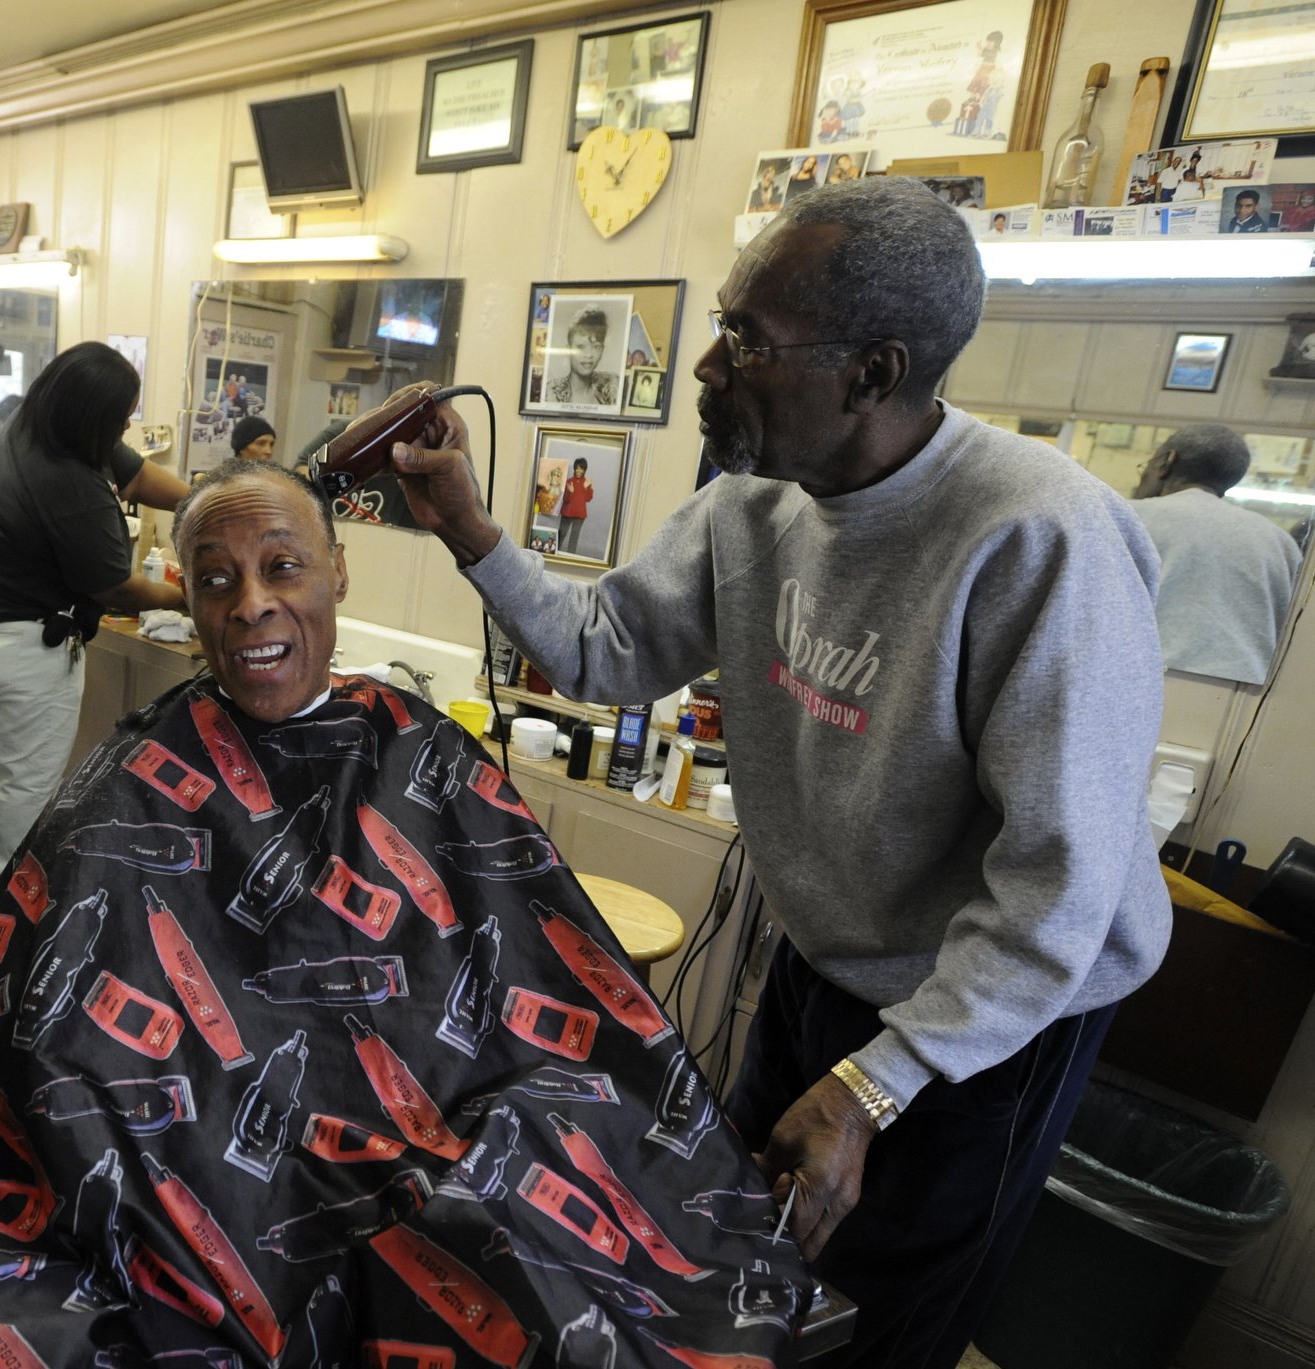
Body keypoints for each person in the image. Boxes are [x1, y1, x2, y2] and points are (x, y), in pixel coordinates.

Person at [389, 176, 1169, 1369]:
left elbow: (1058, 892)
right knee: (740, 1254)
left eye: (747, 340)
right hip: (824, 969)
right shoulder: (751, 503)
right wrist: (469, 529)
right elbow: (604, 649)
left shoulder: (1038, 539)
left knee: (874, 1321)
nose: (708, 364)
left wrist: (875, 1089)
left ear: (872, 373)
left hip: (988, 1018)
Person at [0, 458, 816, 1368]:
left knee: (520, 1215)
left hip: (443, 1104)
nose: (249, 604)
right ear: (193, 603)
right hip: (210, 1140)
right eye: (215, 580)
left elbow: (526, 963)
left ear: (338, 570)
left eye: (282, 565)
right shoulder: (131, 785)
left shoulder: (422, 749)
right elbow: (51, 1021)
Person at [0, 341, 189, 896]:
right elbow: (112, 586)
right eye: (119, 419)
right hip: (16, 646)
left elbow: (137, 476)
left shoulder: (33, 424)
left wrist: (206, 502)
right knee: (23, 790)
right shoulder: (69, 481)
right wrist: (180, 598)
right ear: (92, 418)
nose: (123, 429)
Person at [1131, 424, 1303, 684]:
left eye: (1147, 465)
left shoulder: (1129, 517)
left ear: (1168, 461)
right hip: (1243, 697)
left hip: (1142, 681)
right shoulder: (1280, 543)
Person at [544, 305, 618, 408]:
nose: (588, 355)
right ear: (568, 349)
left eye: (596, 347)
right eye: (581, 347)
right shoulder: (550, 393)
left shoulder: (612, 386)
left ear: (602, 349)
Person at [559, 455, 595, 554]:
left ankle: (570, 556)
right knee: (561, 534)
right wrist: (570, 492)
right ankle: (555, 553)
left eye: (581, 469)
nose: (579, 471)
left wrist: (586, 488)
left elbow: (588, 499)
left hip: (579, 516)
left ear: (584, 470)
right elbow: (565, 500)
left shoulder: (586, 483)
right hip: (567, 514)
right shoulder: (569, 482)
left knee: (574, 538)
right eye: (577, 468)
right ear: (574, 469)